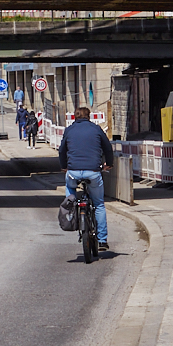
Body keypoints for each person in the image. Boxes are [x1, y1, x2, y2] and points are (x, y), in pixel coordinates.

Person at [59, 107, 113, 250]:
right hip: (93, 172)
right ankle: (102, 240)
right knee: (99, 204)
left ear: (74, 117)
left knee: (70, 187)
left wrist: (64, 166)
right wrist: (109, 164)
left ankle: (71, 206)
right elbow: (108, 148)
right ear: (89, 116)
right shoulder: (96, 129)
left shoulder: (69, 130)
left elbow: (62, 150)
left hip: (73, 172)